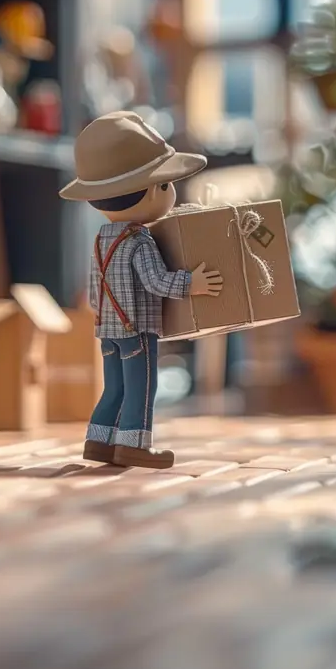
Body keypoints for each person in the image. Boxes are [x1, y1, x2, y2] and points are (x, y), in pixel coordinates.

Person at [59, 111, 223, 469]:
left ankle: (99, 441)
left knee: (113, 389)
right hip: (135, 330)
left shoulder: (103, 238)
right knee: (142, 389)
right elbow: (155, 281)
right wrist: (191, 284)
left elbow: (92, 289)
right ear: (154, 189)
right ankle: (135, 445)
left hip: (107, 330)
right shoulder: (140, 240)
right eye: (167, 183)